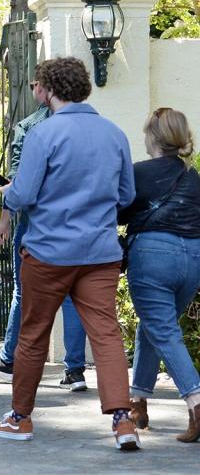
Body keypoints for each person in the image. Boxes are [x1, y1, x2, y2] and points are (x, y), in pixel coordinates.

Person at [0, 57, 139, 451]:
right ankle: (123, 422)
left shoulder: (44, 134)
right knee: (105, 334)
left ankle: (20, 417)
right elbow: (127, 196)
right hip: (100, 253)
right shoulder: (114, 133)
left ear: (50, 89)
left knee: (34, 334)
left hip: (49, 252)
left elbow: (22, 195)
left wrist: (9, 191)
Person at [0, 88, 90, 390]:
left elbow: (18, 181)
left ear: (43, 89)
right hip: (73, 220)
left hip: (36, 222)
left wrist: (5, 218)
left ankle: (10, 358)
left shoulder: (30, 127)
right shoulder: (87, 125)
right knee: (70, 294)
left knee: (23, 290)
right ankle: (75, 370)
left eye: (34, 84)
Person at [119, 107, 200, 443]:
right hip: (193, 257)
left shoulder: (139, 173)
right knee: (154, 326)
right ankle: (138, 401)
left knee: (162, 329)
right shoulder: (194, 177)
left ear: (152, 136)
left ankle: (196, 401)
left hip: (153, 255)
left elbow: (118, 213)